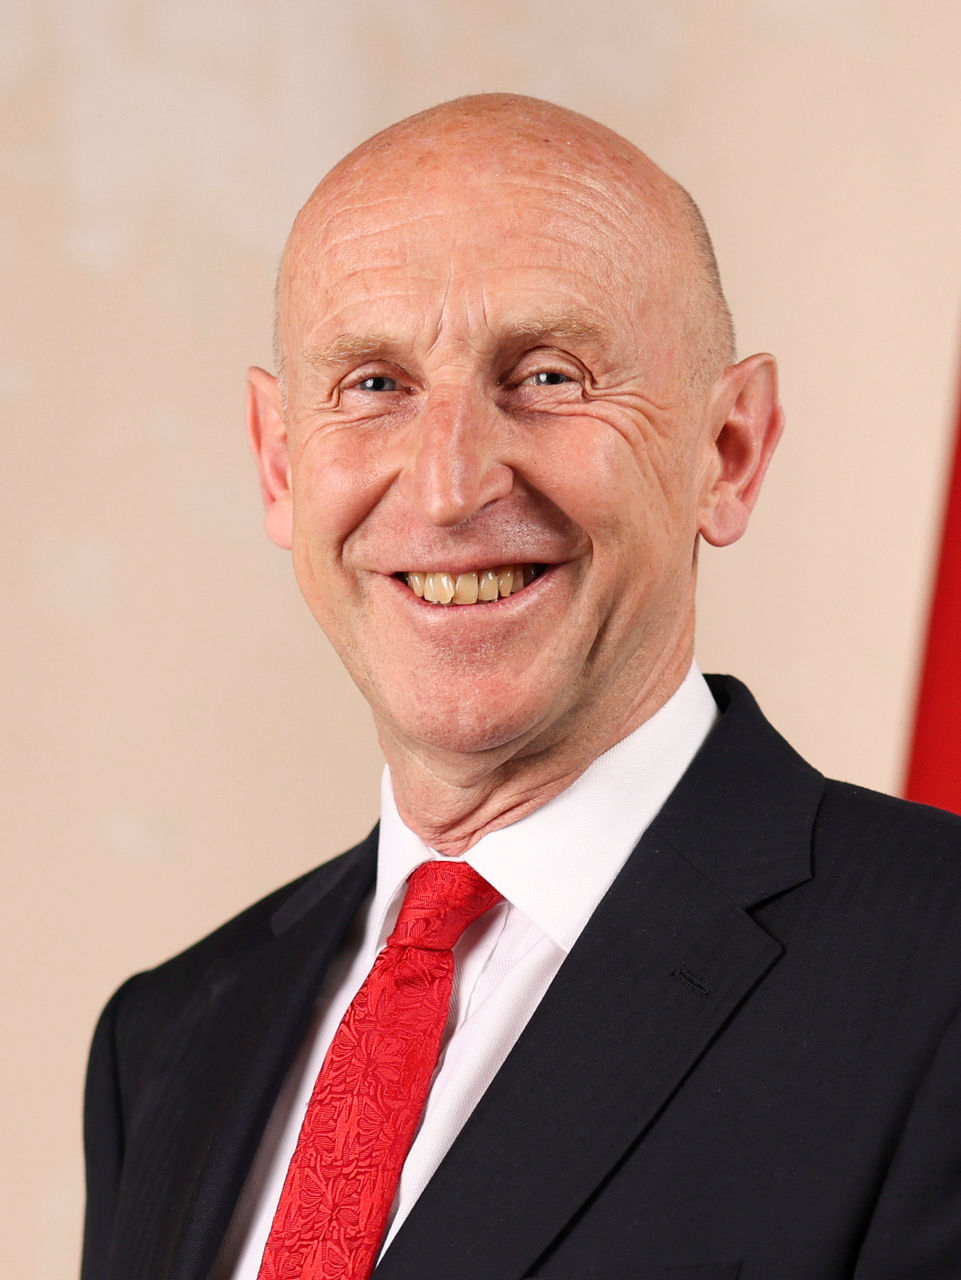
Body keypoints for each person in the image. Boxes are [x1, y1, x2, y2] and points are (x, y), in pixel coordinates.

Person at [82, 95, 961, 1280]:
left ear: (727, 452)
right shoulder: (168, 1036)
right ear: (279, 460)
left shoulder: (933, 969)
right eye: (374, 384)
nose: (446, 487)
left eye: (548, 374)